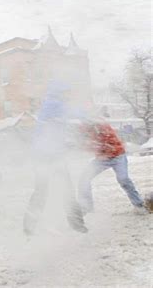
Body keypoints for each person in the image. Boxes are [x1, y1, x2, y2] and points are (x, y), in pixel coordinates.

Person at [23, 80, 88, 236]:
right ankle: (75, 224)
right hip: (46, 156)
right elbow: (73, 113)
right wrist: (89, 114)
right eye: (67, 92)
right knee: (45, 191)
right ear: (60, 92)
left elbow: (59, 126)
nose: (69, 95)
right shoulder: (54, 104)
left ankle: (30, 226)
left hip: (50, 154)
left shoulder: (52, 105)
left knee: (49, 190)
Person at [78, 121, 148, 214]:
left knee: (123, 179)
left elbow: (105, 144)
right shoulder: (84, 128)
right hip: (102, 159)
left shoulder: (102, 126)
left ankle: (139, 205)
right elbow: (82, 142)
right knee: (84, 179)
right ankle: (87, 208)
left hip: (118, 156)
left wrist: (88, 145)